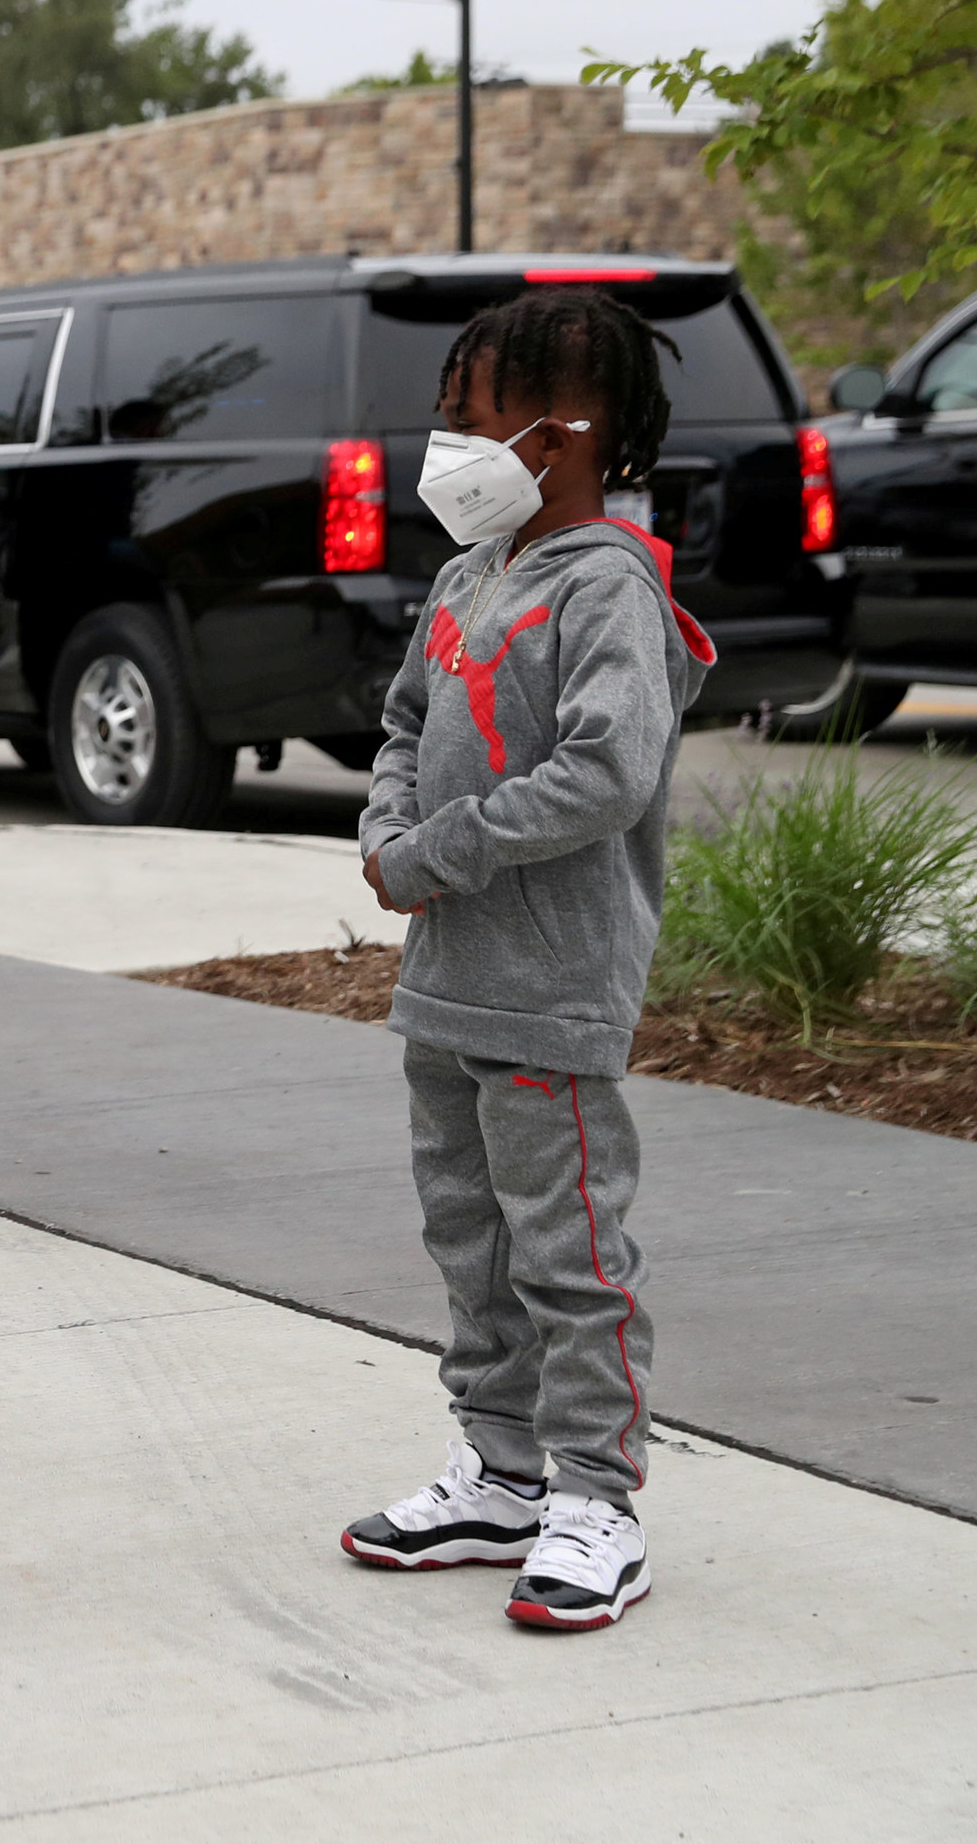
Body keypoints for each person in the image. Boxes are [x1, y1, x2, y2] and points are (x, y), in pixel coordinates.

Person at [343, 288, 713, 1632]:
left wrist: (438, 850)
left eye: (469, 424)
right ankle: (498, 1470)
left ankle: (597, 1497)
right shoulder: (466, 577)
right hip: (446, 983)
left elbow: (609, 769)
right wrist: (388, 823)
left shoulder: (612, 586)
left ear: (561, 436)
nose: (446, 451)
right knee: (471, 1238)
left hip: (551, 988)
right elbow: (400, 721)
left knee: (570, 1250)